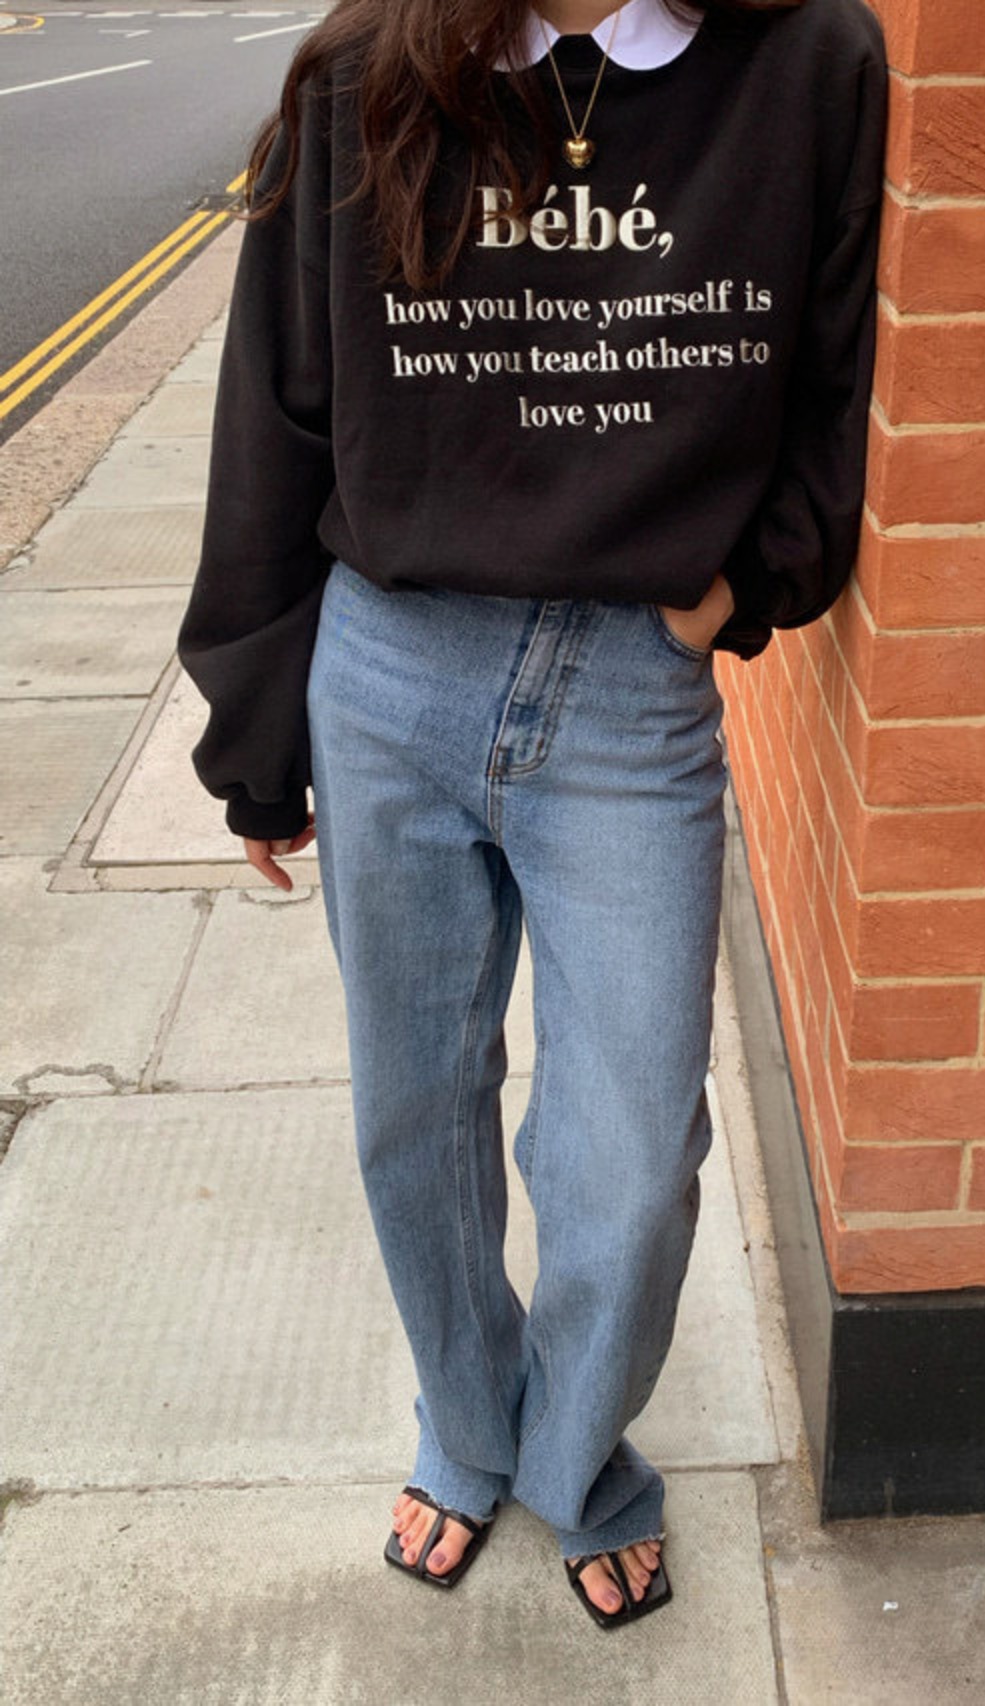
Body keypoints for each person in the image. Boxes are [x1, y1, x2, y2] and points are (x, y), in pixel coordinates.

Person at [177, 0, 887, 1631]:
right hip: (392, 670)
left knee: (631, 1159)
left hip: (631, 689)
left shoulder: (807, 63)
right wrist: (258, 731)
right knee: (414, 1110)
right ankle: (468, 1422)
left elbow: (835, 368)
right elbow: (277, 402)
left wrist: (753, 578)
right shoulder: (364, 71)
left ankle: (575, 1453)